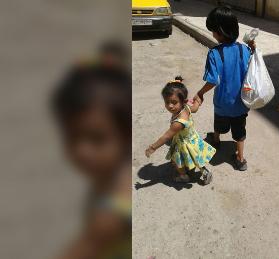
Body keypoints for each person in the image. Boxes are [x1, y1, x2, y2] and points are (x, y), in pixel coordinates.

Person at [52, 44, 132, 259]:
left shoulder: (108, 219)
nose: (81, 151)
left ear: (126, 136)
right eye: (72, 136)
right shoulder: (109, 177)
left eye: (97, 139)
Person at [194, 6, 256, 171]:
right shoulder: (245, 49)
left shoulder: (214, 53)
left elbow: (213, 80)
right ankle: (240, 159)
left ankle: (216, 141)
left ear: (220, 31)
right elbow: (252, 68)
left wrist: (200, 93)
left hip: (222, 104)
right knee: (239, 131)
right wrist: (253, 48)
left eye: (213, 30)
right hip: (241, 104)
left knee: (219, 124)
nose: (212, 34)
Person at [145, 76, 216, 184]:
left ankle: (183, 176)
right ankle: (204, 172)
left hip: (183, 144)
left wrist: (153, 147)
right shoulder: (186, 107)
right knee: (195, 157)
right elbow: (195, 109)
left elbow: (166, 137)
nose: (170, 106)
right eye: (167, 102)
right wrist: (198, 101)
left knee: (175, 161)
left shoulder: (178, 123)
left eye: (174, 102)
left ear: (183, 101)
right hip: (192, 139)